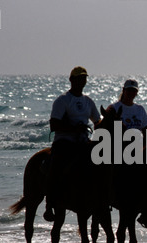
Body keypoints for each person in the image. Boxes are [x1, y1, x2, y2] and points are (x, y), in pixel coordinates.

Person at [44, 66, 101, 221]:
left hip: (83, 141)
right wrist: (74, 129)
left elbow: (97, 121)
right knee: (56, 166)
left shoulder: (88, 101)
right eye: (78, 78)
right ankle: (49, 205)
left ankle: (101, 200)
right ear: (71, 80)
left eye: (83, 78)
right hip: (64, 142)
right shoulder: (63, 100)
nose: (81, 81)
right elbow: (54, 125)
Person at [106, 79, 147, 227]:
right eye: (129, 90)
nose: (131, 93)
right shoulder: (114, 108)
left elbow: (146, 130)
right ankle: (107, 197)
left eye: (134, 91)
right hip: (119, 146)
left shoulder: (140, 109)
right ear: (123, 91)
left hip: (138, 147)